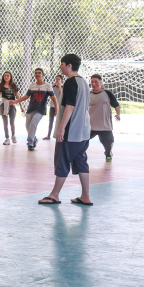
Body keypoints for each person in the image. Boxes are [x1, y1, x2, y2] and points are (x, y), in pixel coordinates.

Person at [39, 54, 92, 206]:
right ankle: (85, 196)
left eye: (62, 64)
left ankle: (54, 195)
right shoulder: (83, 82)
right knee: (81, 162)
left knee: (62, 161)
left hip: (71, 132)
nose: (61, 66)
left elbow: (70, 107)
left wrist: (61, 129)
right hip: (83, 132)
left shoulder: (70, 82)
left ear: (69, 65)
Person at [10, 68, 58, 151]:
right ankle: (34, 138)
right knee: (27, 126)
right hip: (31, 109)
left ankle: (30, 143)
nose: (37, 74)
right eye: (36, 73)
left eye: (39, 73)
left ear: (43, 75)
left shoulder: (48, 86)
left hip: (40, 110)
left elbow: (53, 98)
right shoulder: (32, 86)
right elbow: (26, 96)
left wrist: (56, 109)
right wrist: (16, 101)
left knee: (33, 124)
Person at [88, 74, 120, 162]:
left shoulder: (107, 93)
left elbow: (116, 105)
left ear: (101, 83)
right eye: (92, 82)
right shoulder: (88, 94)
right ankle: (79, 155)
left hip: (105, 125)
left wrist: (118, 114)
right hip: (91, 124)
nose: (94, 84)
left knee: (109, 142)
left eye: (96, 82)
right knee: (83, 140)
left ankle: (108, 153)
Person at [0, 71, 21, 145]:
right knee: (5, 122)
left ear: (10, 77)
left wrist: (21, 106)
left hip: (12, 104)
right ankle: (7, 138)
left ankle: (13, 135)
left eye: (8, 75)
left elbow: (17, 96)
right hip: (3, 104)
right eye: (5, 75)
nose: (6, 77)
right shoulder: (1, 86)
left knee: (12, 122)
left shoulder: (14, 86)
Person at [44, 75, 64, 140]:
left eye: (59, 79)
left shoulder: (62, 87)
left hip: (59, 107)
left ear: (61, 80)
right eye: (56, 79)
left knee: (59, 121)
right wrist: (54, 84)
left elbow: (62, 93)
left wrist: (59, 86)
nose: (57, 80)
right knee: (51, 121)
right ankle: (48, 135)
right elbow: (47, 90)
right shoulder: (53, 87)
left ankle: (58, 134)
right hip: (52, 106)